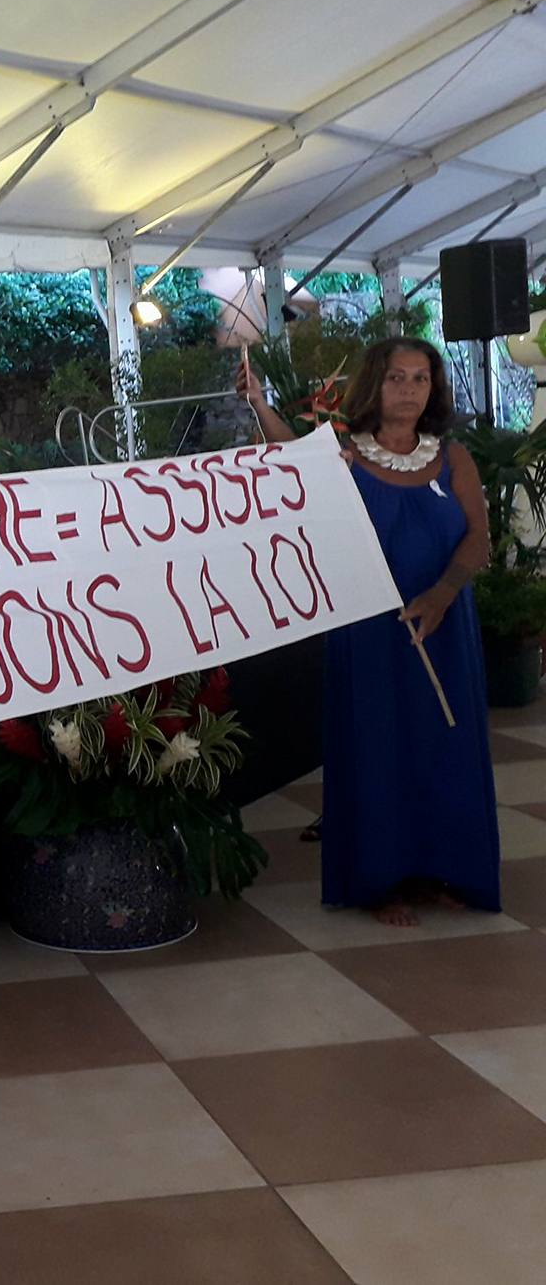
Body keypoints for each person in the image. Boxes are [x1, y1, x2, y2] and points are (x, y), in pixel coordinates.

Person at [239, 338, 500, 925]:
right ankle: (383, 881)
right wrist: (258, 402)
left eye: (420, 379)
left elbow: (477, 539)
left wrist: (441, 594)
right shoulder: (345, 453)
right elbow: (289, 457)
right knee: (380, 746)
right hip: (370, 629)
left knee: (445, 745)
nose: (409, 390)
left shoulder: (454, 457)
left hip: (445, 623)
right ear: (373, 386)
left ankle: (444, 870)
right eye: (396, 378)